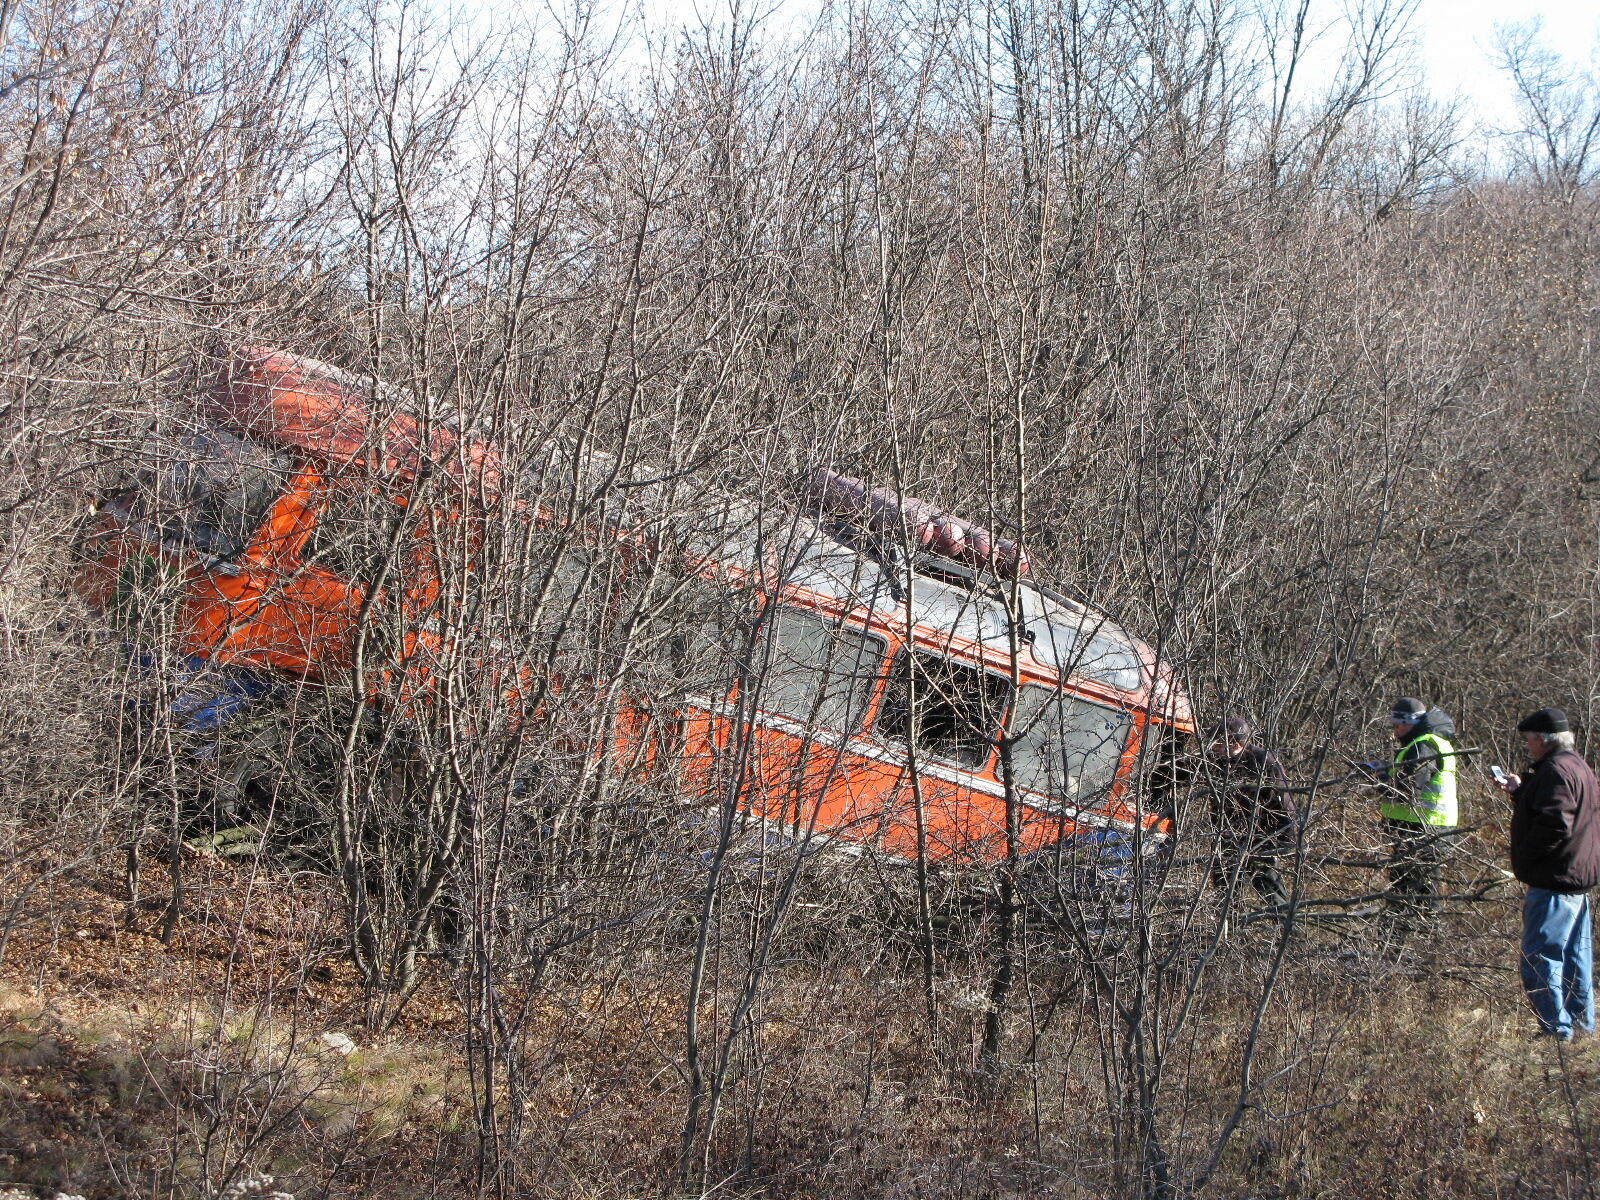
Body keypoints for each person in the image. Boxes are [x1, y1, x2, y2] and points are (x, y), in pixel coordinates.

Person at [1496, 707, 1600, 1041]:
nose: (1528, 746)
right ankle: (1581, 1030)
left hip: (1554, 881)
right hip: (1575, 880)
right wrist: (1522, 791)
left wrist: (1526, 859)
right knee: (1574, 962)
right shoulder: (1577, 766)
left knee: (1539, 961)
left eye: (1529, 740)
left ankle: (1557, 1032)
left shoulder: (1554, 771)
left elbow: (1556, 821)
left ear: (1542, 739)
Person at [1374, 697, 1460, 916]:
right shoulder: (1427, 743)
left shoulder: (1423, 745)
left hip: (1421, 831)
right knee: (1416, 891)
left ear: (1411, 722)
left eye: (1397, 725)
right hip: (1424, 828)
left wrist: (1380, 778)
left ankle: (1413, 942)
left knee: (1413, 895)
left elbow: (1408, 791)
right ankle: (1413, 941)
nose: (1395, 731)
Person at [1202, 717, 1294, 911]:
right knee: (1225, 895)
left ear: (1237, 743)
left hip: (1261, 837)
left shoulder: (1265, 762)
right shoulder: (1213, 761)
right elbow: (1180, 772)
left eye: (1219, 742)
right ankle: (1230, 933)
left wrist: (1286, 840)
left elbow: (1285, 803)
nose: (1215, 747)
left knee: (1270, 889)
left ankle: (1288, 934)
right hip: (1226, 836)